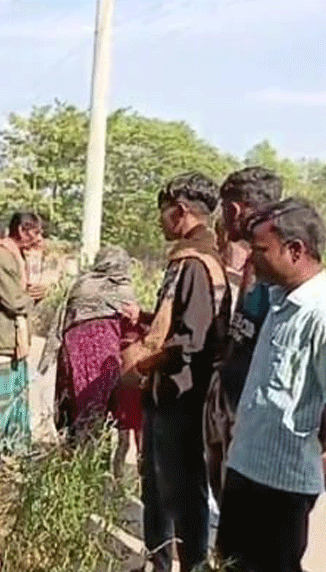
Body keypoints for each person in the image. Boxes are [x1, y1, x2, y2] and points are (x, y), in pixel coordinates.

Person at [216, 199, 326, 572]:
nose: (250, 260)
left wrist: (307, 448)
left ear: (295, 250)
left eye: (259, 250)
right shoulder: (279, 302)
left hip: (281, 487)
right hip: (245, 469)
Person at [121, 172, 230, 572]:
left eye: (164, 213)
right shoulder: (196, 257)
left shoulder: (195, 263)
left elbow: (190, 342)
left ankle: (184, 564)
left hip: (179, 395)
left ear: (179, 211)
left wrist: (143, 361)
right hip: (170, 393)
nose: (160, 222)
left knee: (179, 491)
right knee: (162, 486)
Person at [203, 166, 283, 507]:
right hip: (233, 407)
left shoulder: (279, 262)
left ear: (234, 209)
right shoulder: (256, 259)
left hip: (254, 424)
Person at [40, 246, 142, 468]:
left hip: (73, 350)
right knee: (101, 408)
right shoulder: (123, 290)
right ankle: (94, 468)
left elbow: (66, 318)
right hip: (105, 354)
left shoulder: (82, 284)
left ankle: (75, 464)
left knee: (78, 405)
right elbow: (131, 327)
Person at [0, 213, 46, 447]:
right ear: (23, 231)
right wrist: (33, 297)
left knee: (12, 410)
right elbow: (15, 301)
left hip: (10, 346)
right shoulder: (1, 258)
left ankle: (7, 465)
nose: (39, 238)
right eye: (36, 232)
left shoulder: (15, 257)